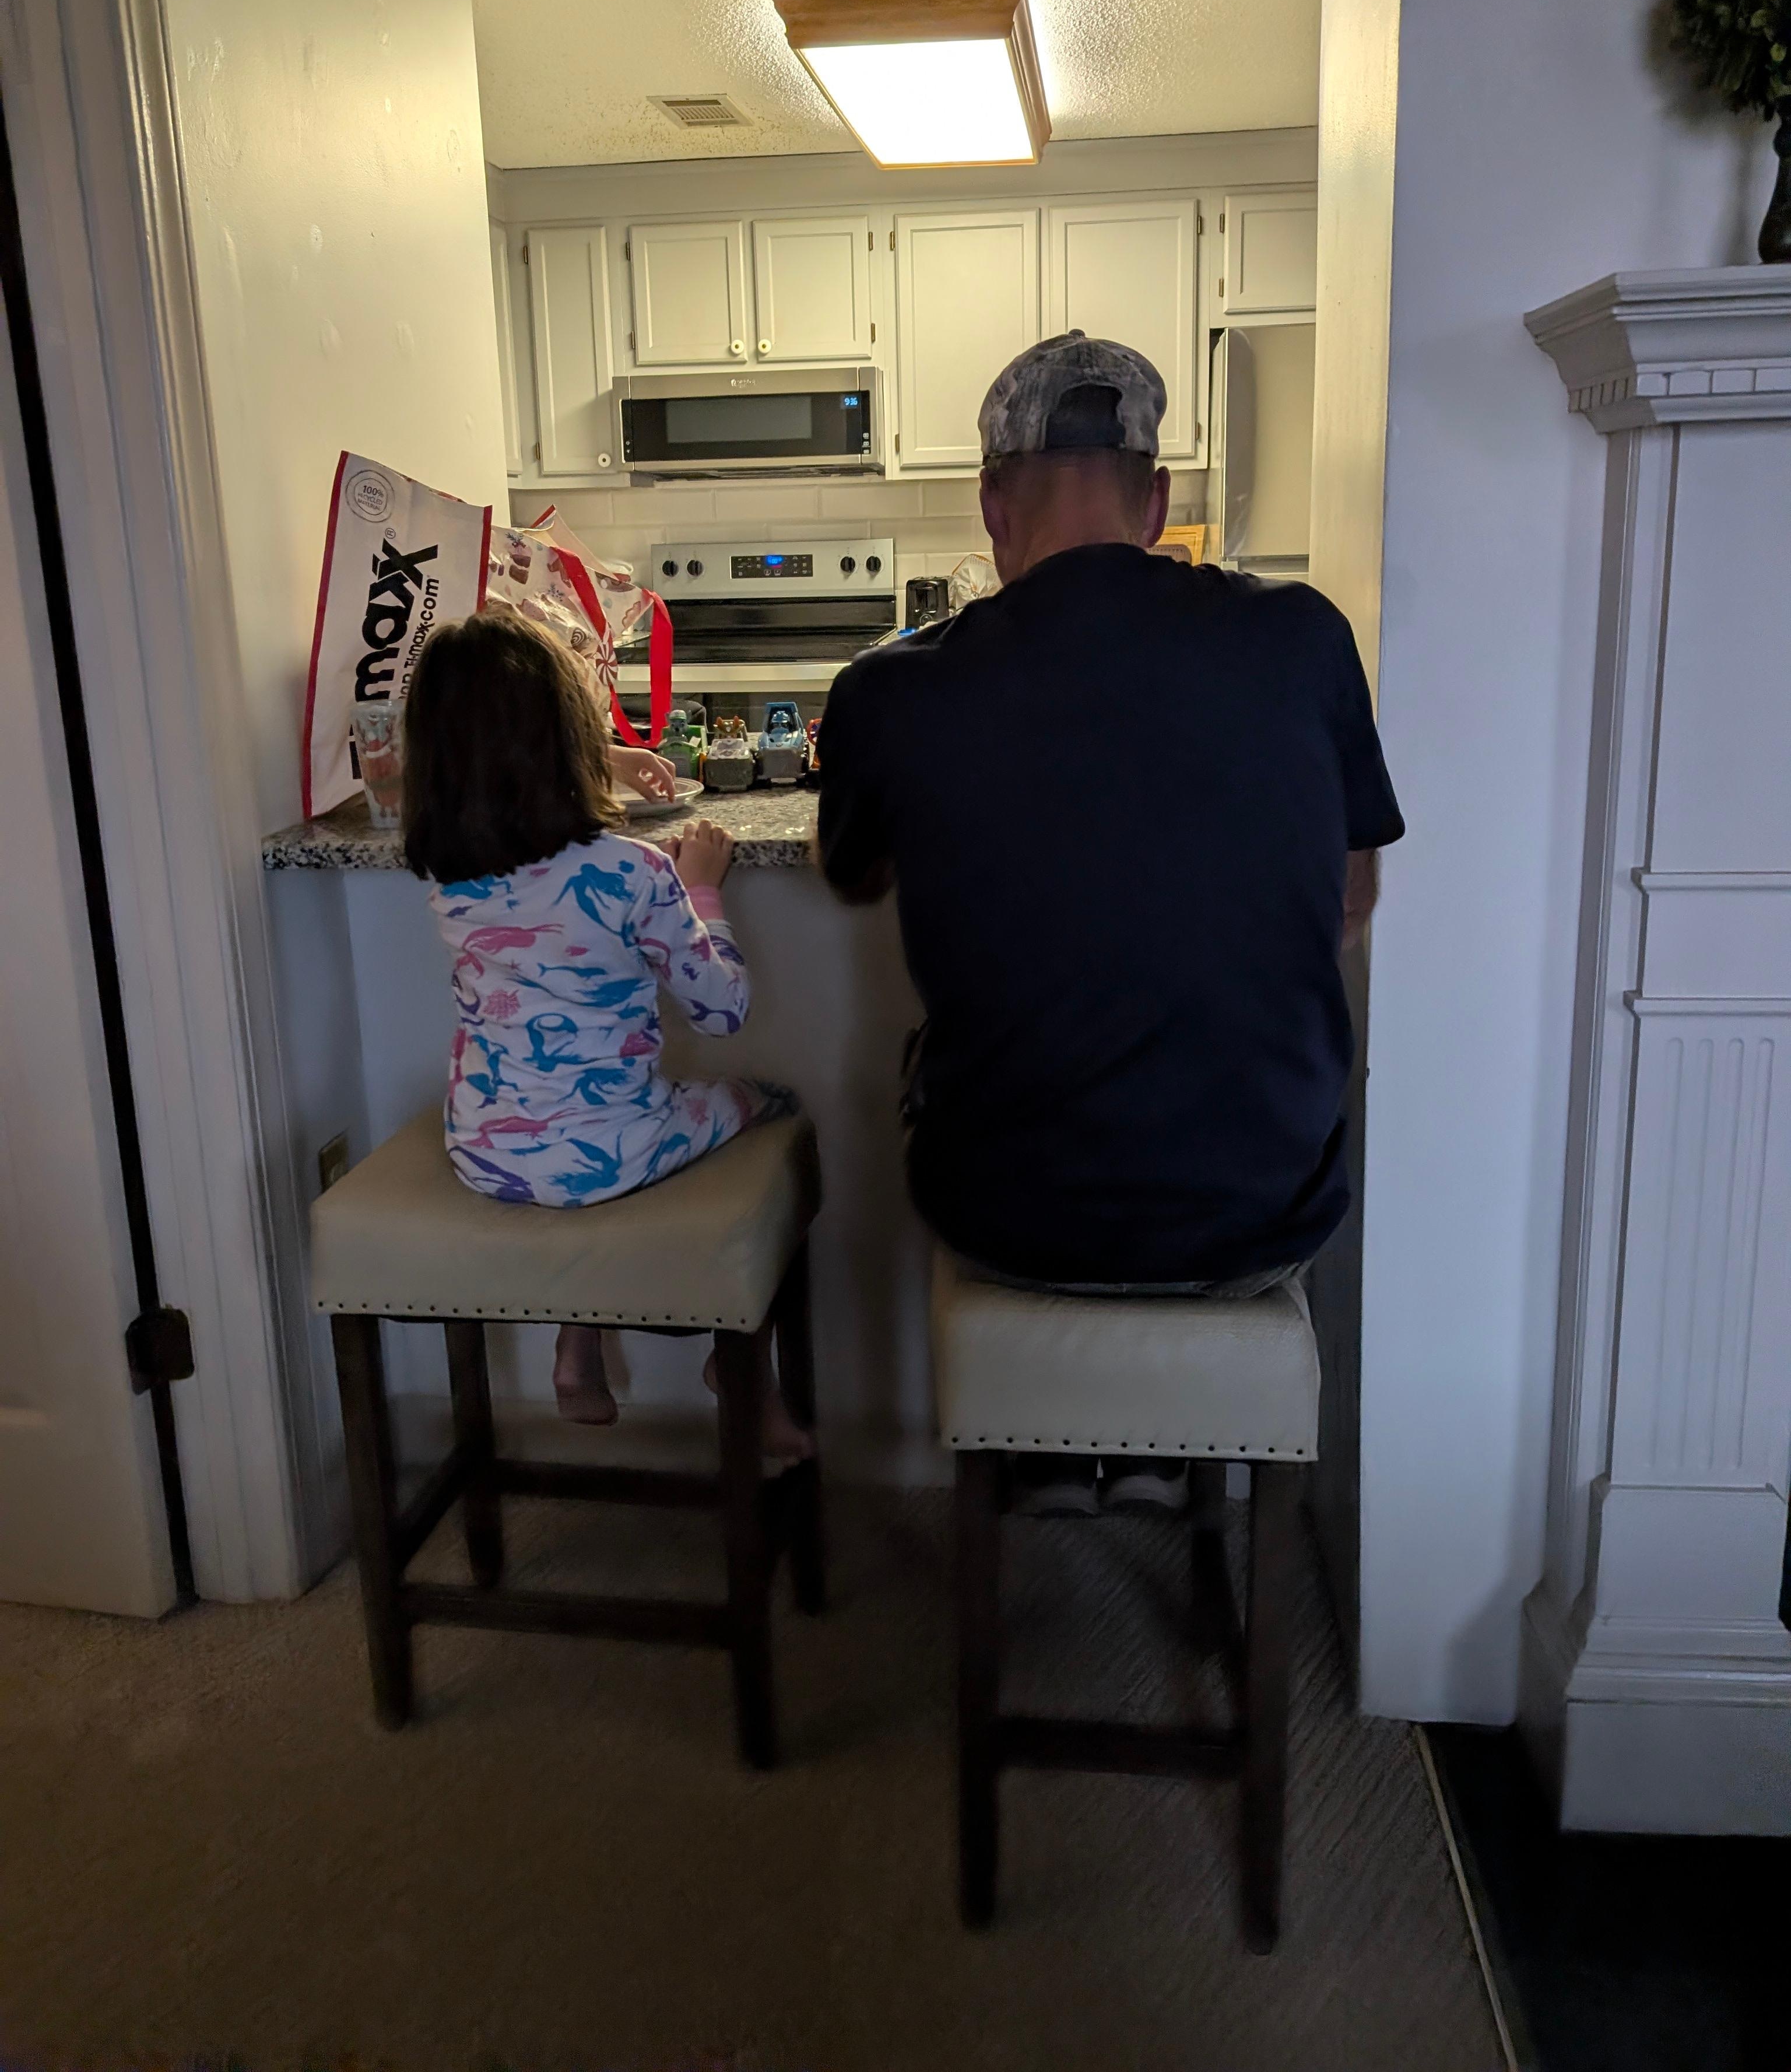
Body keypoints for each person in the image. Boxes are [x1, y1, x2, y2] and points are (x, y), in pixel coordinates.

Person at [815, 331, 1403, 1515]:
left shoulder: (891, 688)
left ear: (991, 505)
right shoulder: (1304, 638)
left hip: (1008, 1219)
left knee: (926, 1070)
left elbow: (853, 880)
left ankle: (1044, 1447)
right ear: (1159, 499)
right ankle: (1151, 1457)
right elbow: (1350, 899)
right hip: (1265, 1210)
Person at [402, 603, 809, 1454]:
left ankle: (576, 1345)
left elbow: (520, 816)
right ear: (571, 734)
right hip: (613, 1152)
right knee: (773, 1107)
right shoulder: (635, 871)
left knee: (579, 1146)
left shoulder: (448, 873)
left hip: (484, 1151)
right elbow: (723, 1011)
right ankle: (744, 1371)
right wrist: (703, 888)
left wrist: (606, 764)